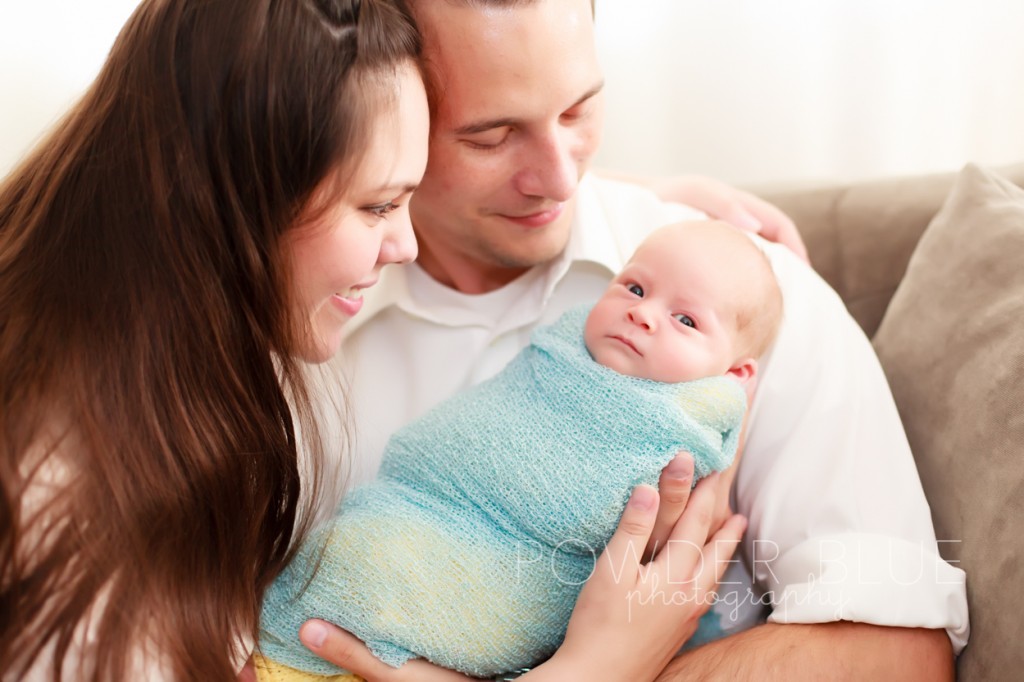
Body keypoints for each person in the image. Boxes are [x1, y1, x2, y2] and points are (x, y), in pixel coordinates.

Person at [1, 1, 746, 680]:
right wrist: (596, 668)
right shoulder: (55, 491)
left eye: (411, 195)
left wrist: (632, 204)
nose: (406, 246)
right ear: (238, 201)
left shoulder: (138, 350)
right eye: (380, 204)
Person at [313, 0, 969, 679]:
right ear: (388, 108)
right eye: (490, 137)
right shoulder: (293, 321)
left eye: (578, 110)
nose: (562, 179)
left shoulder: (744, 288)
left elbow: (895, 650)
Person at [254, 220, 783, 680]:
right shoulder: (559, 353)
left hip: (515, 572)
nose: (643, 315)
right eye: (635, 287)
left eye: (686, 321)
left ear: (735, 376)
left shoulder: (684, 431)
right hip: (408, 515)